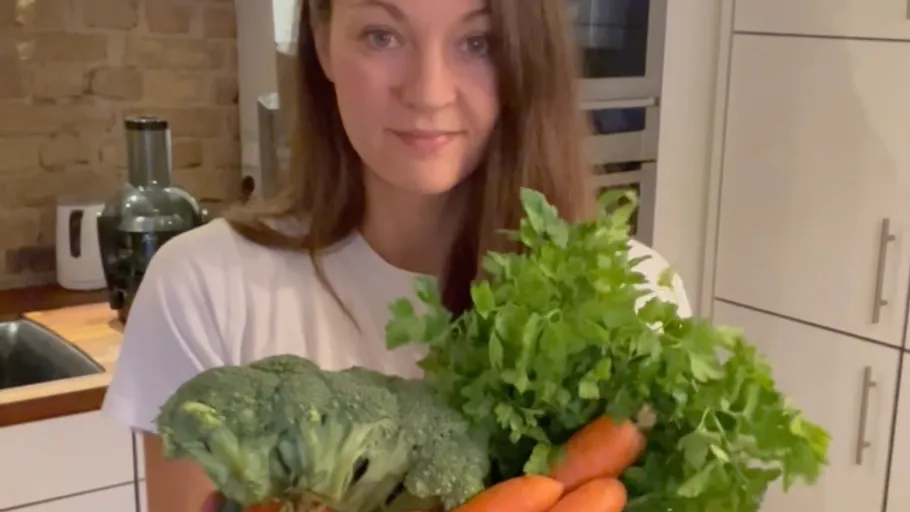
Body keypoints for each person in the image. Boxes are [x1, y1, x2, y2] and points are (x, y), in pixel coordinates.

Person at [101, 1, 692, 511]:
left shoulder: (634, 297)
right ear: (324, 43)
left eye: (477, 41)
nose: (428, 92)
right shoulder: (204, 289)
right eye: (381, 35)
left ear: (523, 58)